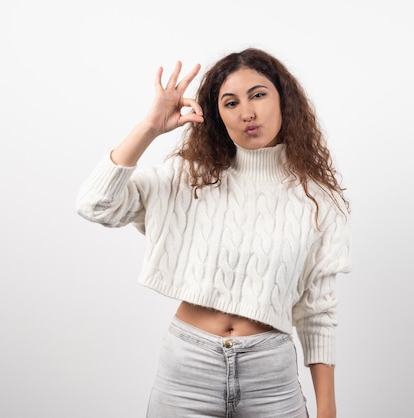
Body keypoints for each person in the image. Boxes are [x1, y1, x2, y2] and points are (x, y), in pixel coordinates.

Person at [76, 47, 351, 418]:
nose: (247, 112)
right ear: (217, 115)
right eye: (230, 102)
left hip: (271, 376)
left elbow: (318, 311)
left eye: (258, 95)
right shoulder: (188, 178)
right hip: (188, 368)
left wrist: (327, 410)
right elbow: (95, 204)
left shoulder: (317, 199)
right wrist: (150, 128)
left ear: (284, 100)